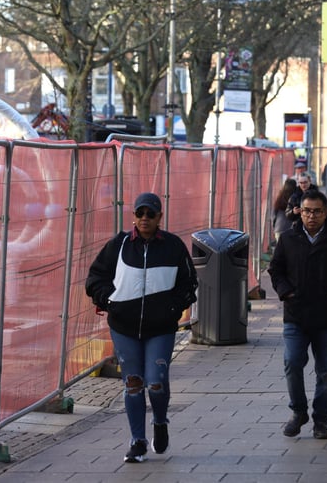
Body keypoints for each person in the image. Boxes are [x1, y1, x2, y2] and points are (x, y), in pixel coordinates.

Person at [85, 192, 198, 463]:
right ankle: (137, 441)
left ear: (160, 216)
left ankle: (160, 421)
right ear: (133, 216)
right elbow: (95, 278)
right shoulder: (119, 245)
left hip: (160, 328)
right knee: (133, 383)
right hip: (124, 327)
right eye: (140, 213)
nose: (144, 219)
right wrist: (109, 300)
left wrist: (172, 308)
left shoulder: (173, 246)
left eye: (150, 214)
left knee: (156, 382)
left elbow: (189, 283)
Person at [268, 190, 327, 440]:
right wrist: (286, 292)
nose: (311, 216)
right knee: (292, 362)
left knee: (326, 373)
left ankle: (321, 420)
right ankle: (298, 411)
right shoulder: (288, 238)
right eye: (307, 210)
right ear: (299, 211)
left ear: (325, 212)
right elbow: (275, 270)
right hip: (296, 314)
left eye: (317, 211)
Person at [272, 178, 297, 243]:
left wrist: (274, 226)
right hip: (290, 228)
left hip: (279, 227)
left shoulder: (280, 198)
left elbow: (274, 214)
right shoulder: (295, 198)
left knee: (281, 251)